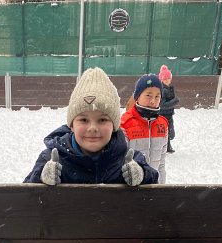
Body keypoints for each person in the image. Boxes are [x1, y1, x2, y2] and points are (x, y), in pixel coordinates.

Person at [24, 67, 158, 186]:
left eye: (102, 120)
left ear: (114, 126)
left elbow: (154, 190)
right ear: (71, 125)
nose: (93, 128)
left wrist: (142, 175)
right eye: (83, 120)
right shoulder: (52, 158)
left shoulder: (129, 159)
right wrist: (41, 178)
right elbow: (26, 196)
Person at [120, 74, 169, 184]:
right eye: (148, 95)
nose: (153, 101)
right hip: (132, 186)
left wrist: (162, 187)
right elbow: (121, 161)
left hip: (154, 185)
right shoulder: (125, 123)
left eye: (157, 96)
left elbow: (161, 163)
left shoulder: (163, 124)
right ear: (137, 96)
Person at [158, 64, 179, 153]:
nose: (167, 80)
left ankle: (167, 146)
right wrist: (174, 101)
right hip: (163, 115)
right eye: (165, 78)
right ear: (161, 80)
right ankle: (163, 147)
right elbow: (162, 105)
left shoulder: (168, 88)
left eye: (168, 78)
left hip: (169, 114)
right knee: (166, 133)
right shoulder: (163, 90)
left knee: (170, 133)